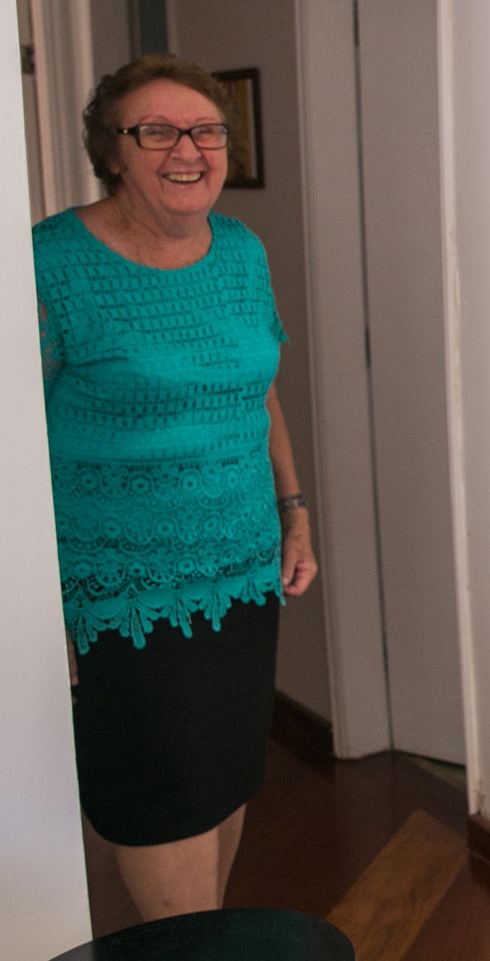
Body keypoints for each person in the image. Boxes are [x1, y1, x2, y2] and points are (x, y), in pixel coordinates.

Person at [36, 54, 317, 921]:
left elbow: (258, 390)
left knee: (225, 789)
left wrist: (294, 511)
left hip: (240, 574)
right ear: (110, 150)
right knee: (161, 806)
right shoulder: (49, 262)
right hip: (120, 594)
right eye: (154, 131)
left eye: (205, 130)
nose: (186, 149)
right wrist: (33, 600)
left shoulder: (239, 249)